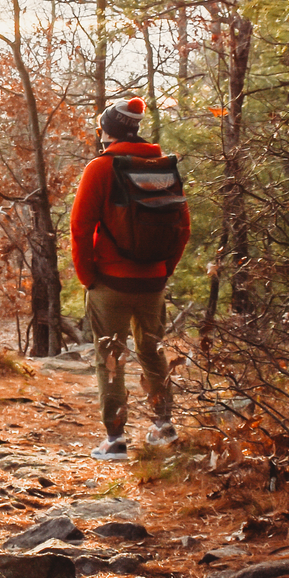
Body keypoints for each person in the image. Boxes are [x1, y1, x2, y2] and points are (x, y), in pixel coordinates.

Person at [70, 97, 190, 461]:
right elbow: (183, 228)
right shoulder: (164, 166)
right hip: (153, 281)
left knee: (110, 358)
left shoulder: (100, 168)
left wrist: (88, 277)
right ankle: (163, 426)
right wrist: (164, 270)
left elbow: (79, 228)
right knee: (153, 353)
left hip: (110, 282)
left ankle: (115, 439)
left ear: (106, 131)